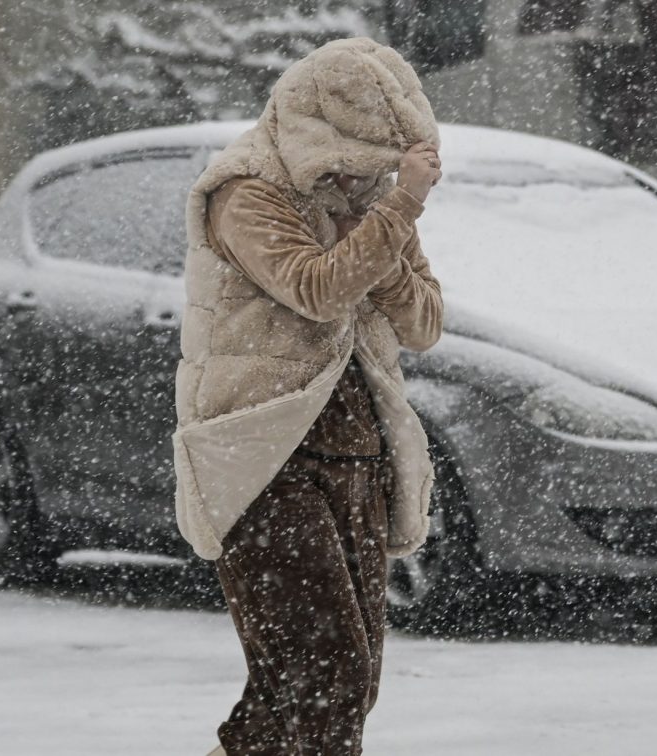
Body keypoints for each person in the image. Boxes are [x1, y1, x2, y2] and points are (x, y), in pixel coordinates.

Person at [171, 38, 444, 756]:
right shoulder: (246, 192)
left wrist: (382, 231)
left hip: (358, 451)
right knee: (320, 672)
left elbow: (424, 324)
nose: (366, 180)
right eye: (360, 161)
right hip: (263, 456)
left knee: (343, 685)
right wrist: (395, 214)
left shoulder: (369, 205)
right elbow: (316, 289)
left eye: (379, 168)